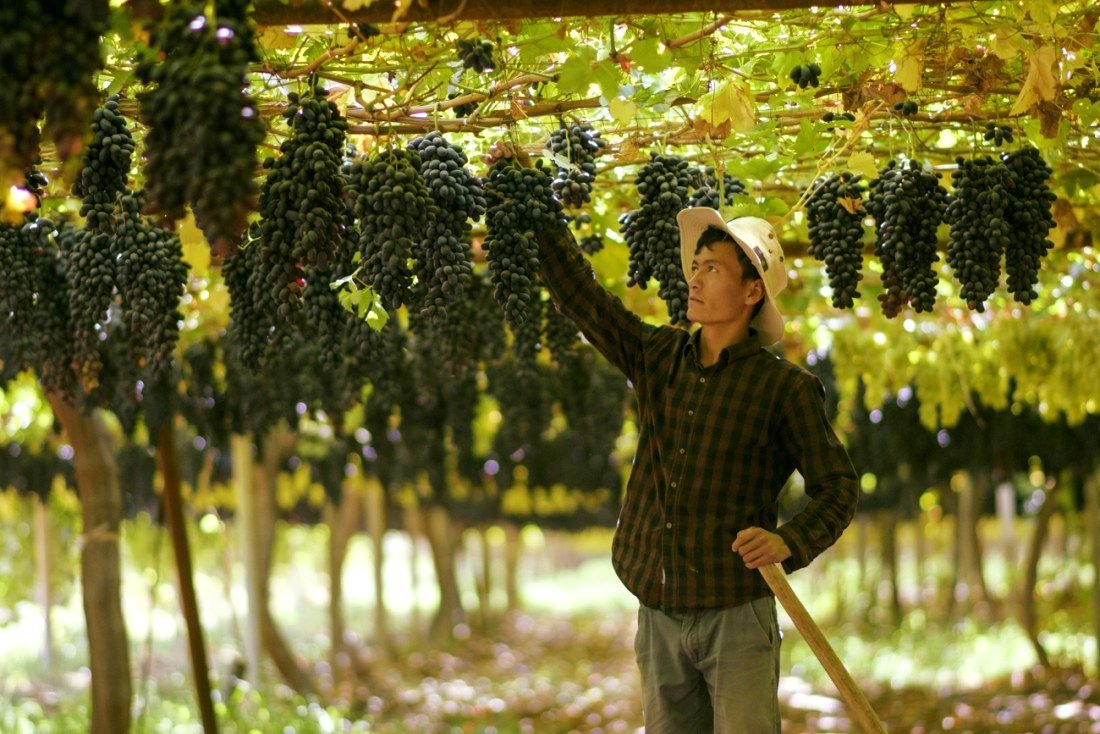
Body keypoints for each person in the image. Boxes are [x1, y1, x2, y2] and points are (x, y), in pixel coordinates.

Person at [536, 207, 859, 733]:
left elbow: (838, 487)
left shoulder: (785, 390)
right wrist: (535, 208)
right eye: (696, 265)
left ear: (752, 292)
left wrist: (789, 541)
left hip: (736, 613)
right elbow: (583, 299)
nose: (695, 277)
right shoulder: (657, 356)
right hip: (659, 609)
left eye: (712, 268)